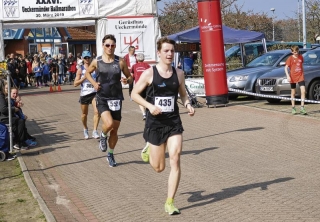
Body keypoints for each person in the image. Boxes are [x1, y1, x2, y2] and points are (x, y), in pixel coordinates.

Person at [131, 37, 195, 215]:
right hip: (155, 123)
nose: (169, 54)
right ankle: (148, 148)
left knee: (175, 158)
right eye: (166, 51)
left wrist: (188, 105)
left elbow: (183, 95)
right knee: (159, 168)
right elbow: (134, 94)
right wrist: (150, 106)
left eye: (172, 51)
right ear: (158, 53)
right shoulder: (150, 73)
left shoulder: (179, 73)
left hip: (173, 122)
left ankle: (170, 202)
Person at [85, 34, 133, 167]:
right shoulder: (97, 61)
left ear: (115, 46)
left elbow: (130, 78)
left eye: (112, 45)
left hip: (116, 98)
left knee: (115, 130)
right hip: (102, 97)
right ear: (103, 46)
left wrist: (126, 80)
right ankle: (102, 135)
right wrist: (94, 83)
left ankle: (110, 154)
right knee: (109, 123)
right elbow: (87, 73)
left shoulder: (120, 61)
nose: (110, 48)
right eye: (107, 45)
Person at [74, 51, 100, 139]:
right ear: (82, 58)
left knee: (97, 112)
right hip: (84, 94)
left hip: (94, 93)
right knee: (84, 114)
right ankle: (85, 128)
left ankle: (95, 131)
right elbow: (75, 84)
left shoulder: (95, 68)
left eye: (88, 57)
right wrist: (84, 77)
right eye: (85, 58)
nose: (87, 59)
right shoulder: (80, 69)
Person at [285, 45, 307, 115]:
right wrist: (288, 76)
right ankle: (293, 108)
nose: (296, 53)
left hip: (300, 76)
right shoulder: (290, 58)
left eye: (297, 51)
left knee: (303, 91)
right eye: (294, 52)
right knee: (293, 93)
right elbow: (285, 68)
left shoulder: (301, 57)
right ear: (292, 52)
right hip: (292, 77)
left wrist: (303, 74)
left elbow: (301, 66)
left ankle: (302, 108)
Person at [130, 53, 150, 120]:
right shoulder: (147, 65)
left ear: (136, 59)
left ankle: (144, 114)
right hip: (147, 85)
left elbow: (131, 76)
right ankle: (148, 111)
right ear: (143, 59)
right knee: (148, 99)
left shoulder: (134, 66)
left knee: (139, 100)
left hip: (138, 85)